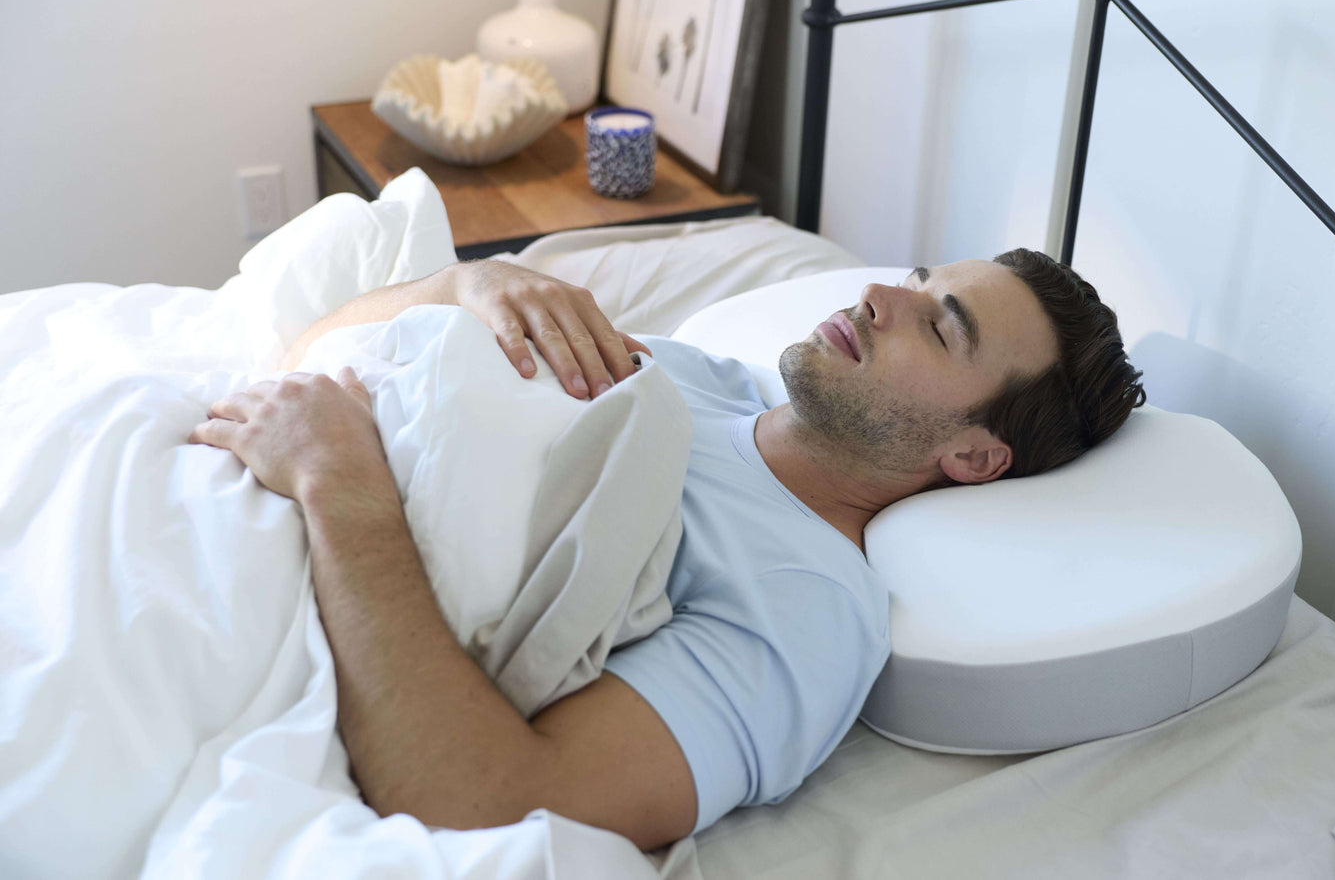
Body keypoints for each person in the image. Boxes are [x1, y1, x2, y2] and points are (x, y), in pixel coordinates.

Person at [188, 247, 1144, 852]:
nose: (884, 294)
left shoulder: (804, 609)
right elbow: (300, 360)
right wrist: (460, 283)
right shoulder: (691, 371)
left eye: (940, 326)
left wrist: (339, 486)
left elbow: (488, 803)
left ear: (972, 456)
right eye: (922, 276)